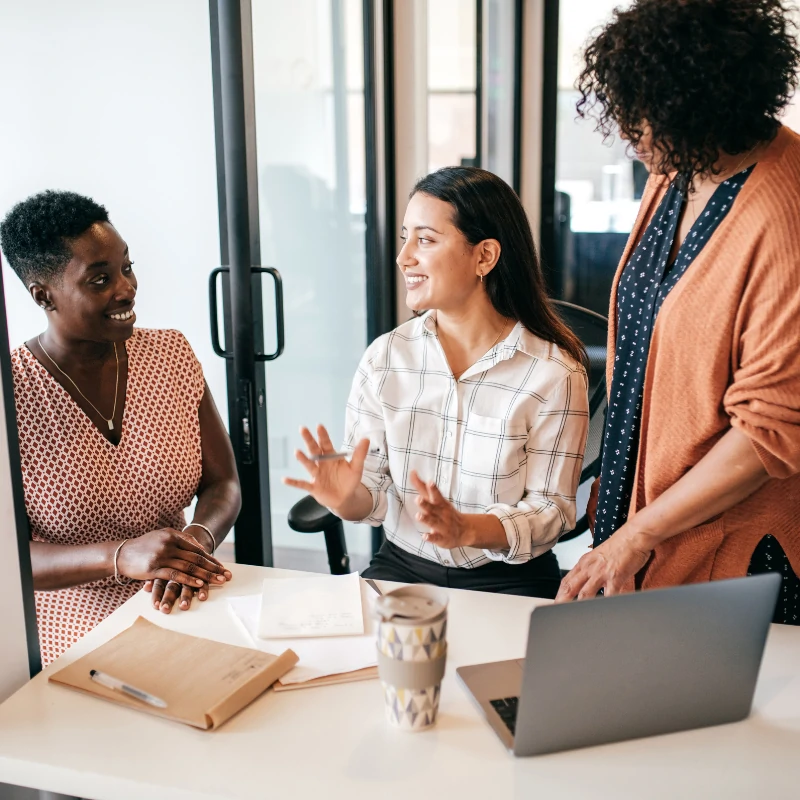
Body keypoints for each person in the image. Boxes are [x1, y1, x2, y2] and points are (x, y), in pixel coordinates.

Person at [555, 0, 800, 619]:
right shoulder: (681, 167)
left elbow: (769, 434)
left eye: (644, 119)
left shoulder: (784, 215)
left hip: (734, 554)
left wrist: (638, 536)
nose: (630, 137)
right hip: (645, 528)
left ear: (701, 108)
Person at [285, 167, 589, 598]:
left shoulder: (555, 372)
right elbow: (372, 495)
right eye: (405, 236)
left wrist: (467, 529)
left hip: (508, 579)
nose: (404, 256)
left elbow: (551, 511)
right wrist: (344, 497)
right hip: (402, 565)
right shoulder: (385, 358)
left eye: (425, 240)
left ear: (484, 256)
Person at [0, 190, 241, 665]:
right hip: (72, 632)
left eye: (127, 268)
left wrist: (196, 541)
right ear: (42, 294)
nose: (126, 288)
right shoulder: (13, 394)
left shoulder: (171, 355)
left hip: (182, 599)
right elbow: (10, 557)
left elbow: (224, 483)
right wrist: (119, 556)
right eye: (100, 279)